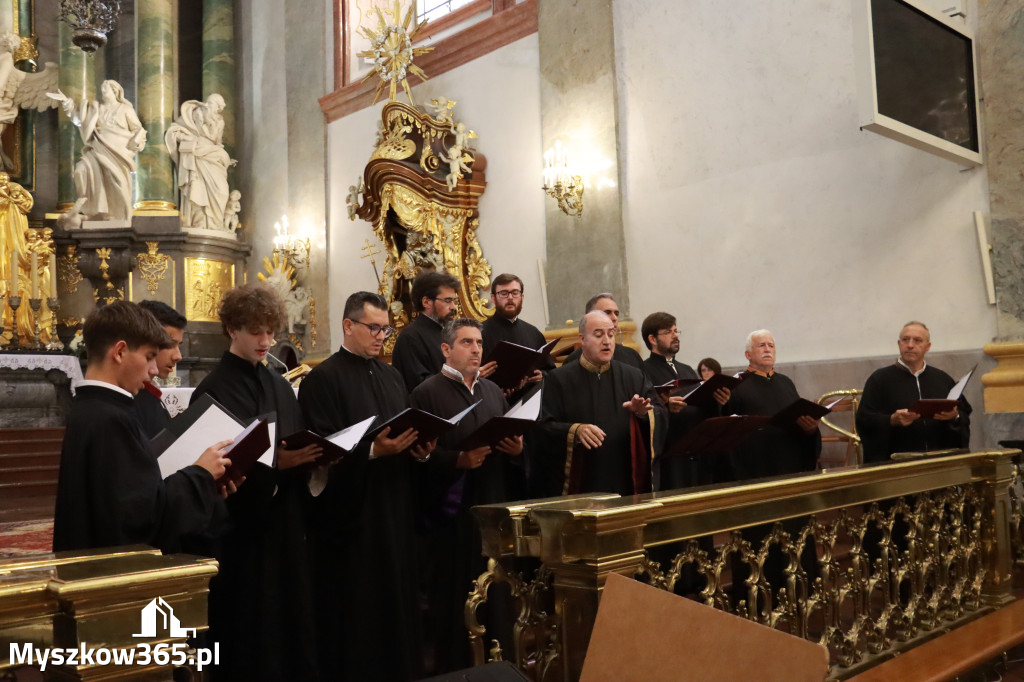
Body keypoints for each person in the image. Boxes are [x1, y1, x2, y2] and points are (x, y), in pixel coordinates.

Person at [298, 291, 433, 682]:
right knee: (361, 617)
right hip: (353, 524)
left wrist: (420, 450)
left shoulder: (392, 376)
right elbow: (320, 455)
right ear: (348, 326)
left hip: (395, 508)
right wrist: (373, 450)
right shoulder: (322, 379)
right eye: (374, 328)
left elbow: (405, 430)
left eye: (386, 329)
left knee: (399, 610)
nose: (381, 337)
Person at [191, 284, 322, 681]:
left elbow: (294, 436)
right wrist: (275, 465)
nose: (266, 341)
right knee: (250, 632)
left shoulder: (280, 383)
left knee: (290, 623)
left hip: (284, 524)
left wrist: (310, 458)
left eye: (271, 331)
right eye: (255, 332)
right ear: (232, 329)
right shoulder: (214, 388)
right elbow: (214, 467)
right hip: (243, 533)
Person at [52, 301, 230, 553]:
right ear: (120, 352)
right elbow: (140, 520)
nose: (153, 369)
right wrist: (201, 474)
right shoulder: (112, 419)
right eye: (148, 357)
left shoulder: (89, 407)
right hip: (122, 582)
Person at [409, 318, 524, 674]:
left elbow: (508, 443)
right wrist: (456, 459)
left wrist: (517, 450)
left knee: (497, 599)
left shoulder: (491, 392)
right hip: (451, 518)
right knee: (456, 601)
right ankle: (458, 670)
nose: (476, 349)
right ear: (446, 349)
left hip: (491, 508)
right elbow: (416, 456)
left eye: (478, 342)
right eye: (466, 343)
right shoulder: (426, 392)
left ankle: (500, 667)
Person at [724, 329, 821, 605]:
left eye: (771, 345)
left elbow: (801, 423)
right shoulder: (737, 386)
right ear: (748, 355)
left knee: (794, 537)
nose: (767, 349)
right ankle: (760, 599)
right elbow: (730, 431)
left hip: (790, 472)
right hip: (756, 475)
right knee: (760, 541)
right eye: (761, 346)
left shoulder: (786, 383)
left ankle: (798, 594)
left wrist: (810, 430)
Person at [538, 310, 665, 497]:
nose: (607, 341)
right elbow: (543, 428)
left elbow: (660, 413)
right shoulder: (559, 379)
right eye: (598, 335)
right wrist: (576, 430)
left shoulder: (634, 376)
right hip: (582, 484)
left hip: (625, 481)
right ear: (582, 339)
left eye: (611, 334)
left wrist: (643, 414)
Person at [856, 321, 971, 464]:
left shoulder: (941, 378)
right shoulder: (879, 379)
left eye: (917, 340)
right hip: (897, 463)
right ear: (899, 344)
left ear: (927, 347)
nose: (910, 345)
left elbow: (964, 412)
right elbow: (864, 419)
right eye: (905, 340)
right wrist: (891, 420)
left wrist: (955, 415)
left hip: (939, 460)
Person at [640, 312, 729, 490]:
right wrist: (665, 406)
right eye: (668, 332)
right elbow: (643, 414)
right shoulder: (643, 370)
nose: (675, 336)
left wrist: (717, 401)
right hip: (670, 459)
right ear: (652, 339)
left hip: (698, 455)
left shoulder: (687, 369)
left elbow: (700, 408)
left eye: (676, 330)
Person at [54, 80, 146, 222]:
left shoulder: (125, 109)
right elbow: (80, 120)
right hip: (97, 147)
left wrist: (136, 141)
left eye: (106, 89)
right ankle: (94, 209)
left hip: (118, 151)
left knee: (117, 181)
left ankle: (123, 214)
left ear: (115, 91)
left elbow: (137, 129)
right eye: (101, 89)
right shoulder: (97, 108)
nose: (103, 92)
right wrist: (67, 103)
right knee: (80, 170)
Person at [165, 94, 236, 230]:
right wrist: (189, 139)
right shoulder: (197, 113)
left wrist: (225, 159)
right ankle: (201, 223)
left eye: (219, 108)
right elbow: (179, 129)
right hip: (197, 152)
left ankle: (215, 224)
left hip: (213, 155)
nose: (217, 110)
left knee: (222, 191)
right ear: (210, 103)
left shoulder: (220, 121)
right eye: (216, 106)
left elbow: (218, 142)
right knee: (198, 187)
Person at [392, 270, 461, 390]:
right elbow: (420, 386)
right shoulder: (410, 338)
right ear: (426, 302)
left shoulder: (448, 332)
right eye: (448, 300)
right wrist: (461, 377)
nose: (453, 307)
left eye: (454, 301)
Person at [480, 272, 554, 385]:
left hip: (529, 398)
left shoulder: (534, 333)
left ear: (522, 297)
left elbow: (549, 370)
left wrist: (542, 375)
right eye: (504, 293)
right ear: (493, 298)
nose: (510, 298)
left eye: (515, 293)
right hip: (495, 399)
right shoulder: (479, 333)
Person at [133, 300, 187, 438]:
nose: (178, 356)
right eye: (169, 345)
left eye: (179, 346)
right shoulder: (132, 399)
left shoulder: (148, 393)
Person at [562, 293, 644, 371]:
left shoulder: (632, 356)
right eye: (607, 312)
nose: (614, 318)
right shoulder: (573, 361)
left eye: (616, 313)